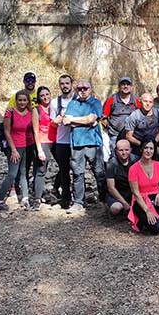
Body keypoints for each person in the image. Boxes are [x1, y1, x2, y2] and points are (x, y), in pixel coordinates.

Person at [63, 79, 106, 214]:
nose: (82, 91)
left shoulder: (95, 102)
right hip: (77, 143)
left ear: (90, 89)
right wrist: (86, 121)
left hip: (93, 142)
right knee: (77, 173)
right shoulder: (72, 103)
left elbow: (92, 119)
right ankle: (78, 202)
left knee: (99, 172)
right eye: (79, 88)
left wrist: (75, 120)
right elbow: (66, 121)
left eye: (85, 88)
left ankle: (105, 199)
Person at [0, 90, 37, 211]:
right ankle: (0, 199)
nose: (22, 102)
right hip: (14, 146)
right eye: (20, 100)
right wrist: (13, 149)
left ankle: (25, 198)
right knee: (13, 173)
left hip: (26, 145)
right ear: (16, 100)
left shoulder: (30, 112)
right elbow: (7, 132)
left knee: (24, 172)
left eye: (25, 100)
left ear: (28, 101)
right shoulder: (10, 113)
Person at [127, 140, 159, 234]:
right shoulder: (133, 169)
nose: (148, 151)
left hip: (157, 198)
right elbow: (136, 193)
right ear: (141, 149)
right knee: (158, 230)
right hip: (141, 202)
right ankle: (146, 221)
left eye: (151, 148)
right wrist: (147, 211)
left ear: (154, 151)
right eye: (146, 148)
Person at [49, 74, 74, 207]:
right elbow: (52, 124)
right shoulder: (54, 103)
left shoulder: (77, 100)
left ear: (71, 85)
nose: (65, 86)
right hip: (61, 141)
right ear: (59, 85)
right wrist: (57, 121)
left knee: (77, 169)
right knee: (64, 170)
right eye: (62, 83)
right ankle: (65, 198)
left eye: (67, 83)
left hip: (76, 140)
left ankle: (79, 197)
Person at [30, 86, 55, 209]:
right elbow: (35, 131)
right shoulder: (36, 110)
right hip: (43, 141)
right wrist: (39, 149)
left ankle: (56, 189)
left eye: (47, 94)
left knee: (66, 165)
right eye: (42, 95)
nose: (45, 97)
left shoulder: (55, 107)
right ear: (39, 98)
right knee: (41, 170)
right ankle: (37, 198)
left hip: (56, 140)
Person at [124, 92, 159, 157]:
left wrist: (154, 142)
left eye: (150, 102)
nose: (148, 104)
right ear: (140, 102)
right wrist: (142, 145)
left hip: (153, 141)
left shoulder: (158, 113)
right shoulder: (134, 115)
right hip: (138, 143)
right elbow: (128, 136)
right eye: (145, 101)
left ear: (153, 103)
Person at [102, 76, 141, 141]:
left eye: (128, 84)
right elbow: (104, 117)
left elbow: (141, 116)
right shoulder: (111, 100)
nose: (125, 86)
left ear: (131, 87)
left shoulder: (136, 101)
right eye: (123, 84)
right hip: (114, 134)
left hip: (132, 134)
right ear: (119, 86)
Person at [105, 139, 137, 216]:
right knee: (116, 208)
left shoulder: (136, 160)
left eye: (126, 150)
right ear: (116, 150)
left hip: (132, 191)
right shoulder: (111, 164)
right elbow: (111, 188)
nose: (124, 153)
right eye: (121, 150)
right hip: (117, 192)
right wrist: (125, 204)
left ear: (130, 149)